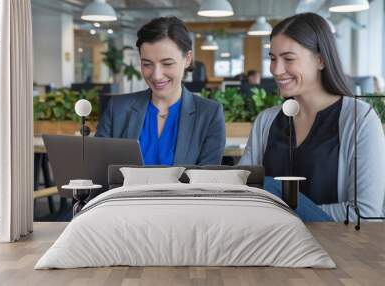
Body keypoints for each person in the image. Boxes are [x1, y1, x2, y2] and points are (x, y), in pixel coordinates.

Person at [239, 13, 385, 222]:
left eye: (289, 59)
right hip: (271, 248)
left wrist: (278, 209)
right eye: (272, 59)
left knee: (271, 186)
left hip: (334, 248)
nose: (277, 70)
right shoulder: (266, 121)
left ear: (320, 60)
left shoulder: (360, 119)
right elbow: (242, 195)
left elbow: (365, 213)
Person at [96, 17, 226, 165]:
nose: (156, 75)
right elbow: (99, 169)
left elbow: (206, 182)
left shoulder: (209, 114)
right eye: (147, 64)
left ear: (187, 59)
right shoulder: (117, 109)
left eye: (167, 63)